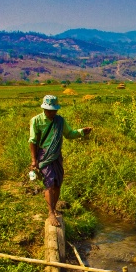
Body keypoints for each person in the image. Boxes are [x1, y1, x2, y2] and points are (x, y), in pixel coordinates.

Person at [29, 95, 92, 226]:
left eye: (54, 110)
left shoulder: (60, 121)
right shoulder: (36, 121)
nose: (52, 113)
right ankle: (51, 212)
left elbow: (69, 134)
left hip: (56, 155)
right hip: (43, 155)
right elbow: (33, 141)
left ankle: (54, 207)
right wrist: (34, 160)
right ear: (44, 109)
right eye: (49, 110)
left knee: (57, 182)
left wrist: (82, 132)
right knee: (49, 183)